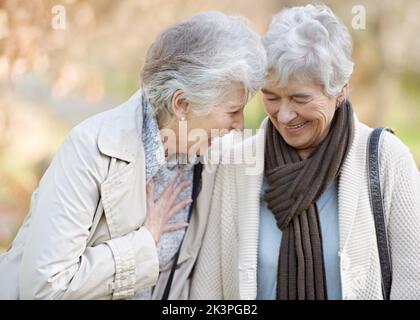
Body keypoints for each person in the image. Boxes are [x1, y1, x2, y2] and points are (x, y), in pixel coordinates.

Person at [0, 11, 266, 299]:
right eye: (232, 111)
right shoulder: (90, 149)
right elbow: (44, 289)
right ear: (181, 104)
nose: (240, 126)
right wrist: (143, 245)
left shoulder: (204, 158)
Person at [190, 4, 420, 300]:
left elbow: (414, 280)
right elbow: (208, 290)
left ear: (340, 91)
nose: (284, 115)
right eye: (271, 97)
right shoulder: (236, 165)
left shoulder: (387, 160)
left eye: (299, 98)